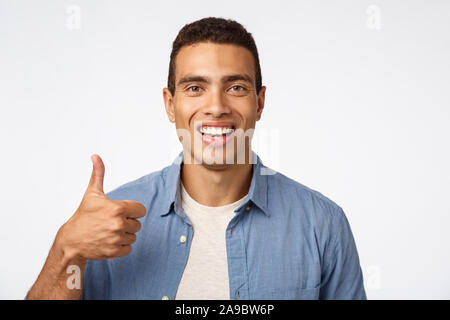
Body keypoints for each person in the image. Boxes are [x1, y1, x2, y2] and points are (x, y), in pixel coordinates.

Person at [26, 17, 366, 300]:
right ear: (170, 105)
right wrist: (66, 249)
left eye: (236, 87)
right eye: (194, 88)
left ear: (259, 103)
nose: (216, 106)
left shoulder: (324, 224)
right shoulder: (109, 223)